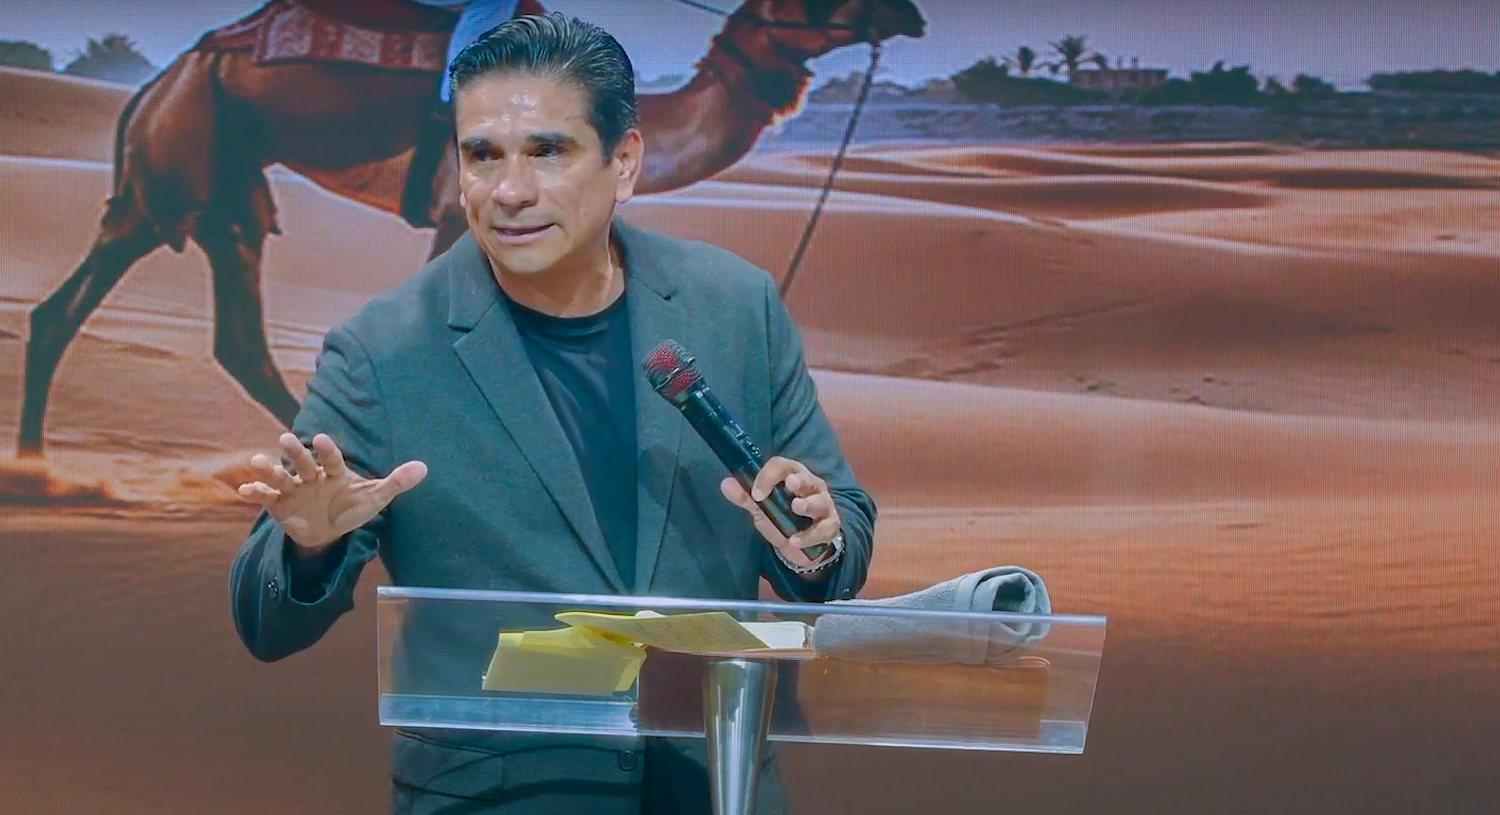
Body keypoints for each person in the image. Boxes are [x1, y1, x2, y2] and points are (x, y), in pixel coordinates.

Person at [228, 11, 876, 815]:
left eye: (547, 152)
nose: (510, 191)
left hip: (714, 787)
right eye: (482, 156)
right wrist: (309, 547)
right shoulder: (380, 350)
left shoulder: (737, 305)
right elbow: (266, 620)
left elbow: (839, 532)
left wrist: (818, 537)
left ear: (624, 161)